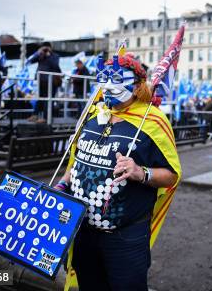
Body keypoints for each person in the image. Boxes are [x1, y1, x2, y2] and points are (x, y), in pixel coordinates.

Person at [54, 53, 181, 291]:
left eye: (116, 78)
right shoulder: (92, 115)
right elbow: (78, 162)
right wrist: (61, 186)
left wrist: (140, 172)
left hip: (126, 237)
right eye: (104, 77)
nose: (108, 85)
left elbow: (172, 174)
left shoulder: (152, 120)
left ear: (136, 85)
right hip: (83, 231)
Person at [28, 42, 61, 122]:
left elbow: (55, 66)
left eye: (46, 47)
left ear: (50, 48)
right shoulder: (40, 55)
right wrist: (38, 53)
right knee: (39, 98)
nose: (45, 49)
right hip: (41, 81)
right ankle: (35, 115)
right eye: (43, 48)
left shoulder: (55, 56)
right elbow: (30, 61)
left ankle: (46, 118)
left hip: (51, 82)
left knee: (48, 100)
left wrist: (48, 56)